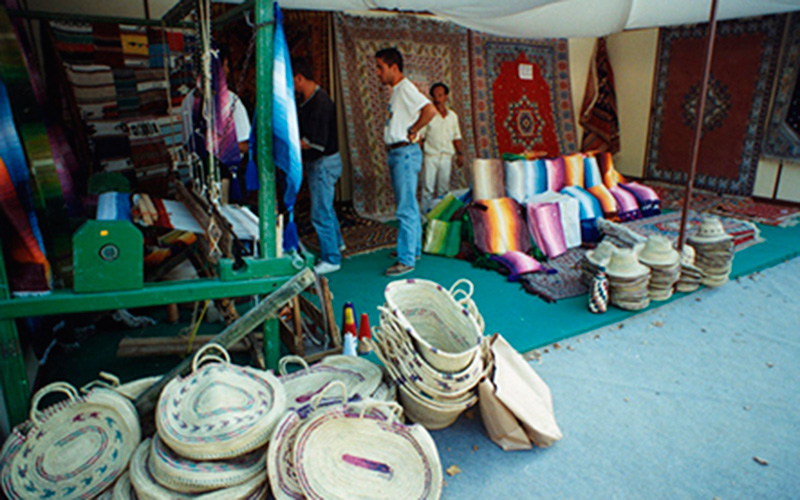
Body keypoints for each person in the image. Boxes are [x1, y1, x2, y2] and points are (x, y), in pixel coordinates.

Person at [375, 47, 436, 277]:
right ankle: (413, 250)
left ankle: (406, 259)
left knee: (406, 207)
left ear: (394, 67)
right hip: (400, 153)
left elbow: (429, 110)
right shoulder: (397, 91)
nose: (378, 73)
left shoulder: (406, 88)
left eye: (380, 68)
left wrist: (414, 129)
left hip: (404, 153)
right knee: (409, 204)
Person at [292, 57, 344, 275]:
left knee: (320, 212)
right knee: (326, 207)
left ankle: (331, 258)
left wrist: (290, 143)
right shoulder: (307, 100)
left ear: (299, 78)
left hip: (324, 163)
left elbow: (316, 142)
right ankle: (337, 244)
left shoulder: (320, 103)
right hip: (322, 162)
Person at [180, 45, 250, 203]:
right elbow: (243, 145)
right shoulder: (230, 102)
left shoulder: (187, 102)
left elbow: (186, 144)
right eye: (225, 65)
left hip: (198, 179)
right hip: (223, 181)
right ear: (219, 67)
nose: (228, 70)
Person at [419, 82, 463, 212]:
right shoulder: (428, 115)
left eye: (440, 95)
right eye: (435, 96)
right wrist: (420, 156)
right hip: (430, 156)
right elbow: (420, 136)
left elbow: (456, 136)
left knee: (443, 189)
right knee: (427, 188)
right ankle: (425, 216)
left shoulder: (453, 116)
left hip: (446, 156)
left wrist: (460, 154)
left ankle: (439, 214)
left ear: (446, 96)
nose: (437, 99)